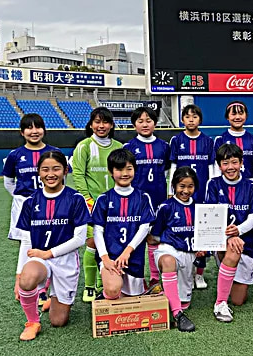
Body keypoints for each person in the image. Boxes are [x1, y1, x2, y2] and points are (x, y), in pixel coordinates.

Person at [14, 151, 89, 341]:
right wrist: (18, 276)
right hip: (39, 258)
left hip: (65, 260)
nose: (50, 174)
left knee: (58, 321)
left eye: (56, 169)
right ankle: (33, 322)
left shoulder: (76, 199)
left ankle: (50, 293)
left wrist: (49, 253)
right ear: (38, 172)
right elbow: (26, 241)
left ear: (65, 170)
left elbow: (79, 239)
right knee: (27, 277)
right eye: (45, 169)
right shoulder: (31, 201)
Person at [2, 114, 61, 306]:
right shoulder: (15, 155)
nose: (34, 131)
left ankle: (47, 289)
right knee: (27, 245)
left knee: (50, 243)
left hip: (50, 204)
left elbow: (61, 180)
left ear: (44, 129)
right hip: (25, 204)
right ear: (22, 132)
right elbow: (9, 182)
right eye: (29, 128)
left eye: (38, 127)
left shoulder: (54, 151)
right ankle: (26, 283)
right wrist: (23, 199)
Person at [71, 107, 123, 302]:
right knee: (92, 243)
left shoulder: (118, 146)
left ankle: (104, 282)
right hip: (92, 203)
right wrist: (87, 198)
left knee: (110, 244)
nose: (101, 126)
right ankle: (90, 286)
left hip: (115, 204)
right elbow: (78, 174)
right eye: (97, 122)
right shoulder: (84, 146)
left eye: (105, 122)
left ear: (111, 125)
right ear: (91, 124)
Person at [204, 144, 253, 322]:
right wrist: (229, 236)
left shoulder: (250, 186)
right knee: (233, 248)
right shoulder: (213, 184)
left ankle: (228, 281)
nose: (230, 167)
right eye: (225, 163)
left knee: (238, 300)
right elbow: (211, 215)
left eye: (234, 162)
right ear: (219, 165)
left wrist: (238, 231)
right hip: (223, 240)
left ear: (241, 163)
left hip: (246, 242)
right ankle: (220, 303)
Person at [92, 149, 155, 300]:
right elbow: (97, 231)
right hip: (111, 257)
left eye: (129, 168)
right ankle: (106, 292)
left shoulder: (143, 197)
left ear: (134, 169)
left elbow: (144, 227)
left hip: (133, 258)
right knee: (114, 290)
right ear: (111, 172)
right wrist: (105, 258)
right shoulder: (103, 199)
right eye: (119, 169)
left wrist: (128, 251)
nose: (125, 173)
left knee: (132, 299)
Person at [148, 166, 203, 332]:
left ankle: (167, 293)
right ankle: (178, 315)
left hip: (189, 255)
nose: (185, 190)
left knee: (184, 301)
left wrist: (202, 248)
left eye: (190, 186)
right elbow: (154, 236)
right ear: (173, 186)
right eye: (181, 186)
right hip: (168, 249)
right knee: (167, 260)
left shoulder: (200, 208)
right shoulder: (165, 206)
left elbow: (205, 234)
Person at [123, 106, 171, 291]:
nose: (145, 124)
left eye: (148, 120)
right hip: (137, 201)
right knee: (137, 238)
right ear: (134, 124)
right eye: (140, 121)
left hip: (158, 198)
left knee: (154, 237)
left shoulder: (163, 146)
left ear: (155, 123)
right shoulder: (129, 148)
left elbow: (167, 170)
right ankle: (137, 277)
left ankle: (153, 276)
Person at [168, 104, 215, 289]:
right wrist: (171, 190)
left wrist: (210, 189)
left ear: (200, 120)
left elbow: (211, 168)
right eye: (187, 117)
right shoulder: (176, 140)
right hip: (182, 195)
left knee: (202, 234)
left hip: (201, 193)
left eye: (194, 117)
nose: (191, 120)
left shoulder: (207, 141)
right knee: (184, 229)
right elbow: (173, 166)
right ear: (182, 120)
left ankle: (199, 274)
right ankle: (185, 269)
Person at [213, 101, 253, 184]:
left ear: (246, 115)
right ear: (227, 117)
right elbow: (217, 166)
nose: (237, 117)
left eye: (241, 113)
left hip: (249, 184)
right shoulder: (220, 140)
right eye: (233, 114)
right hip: (226, 184)